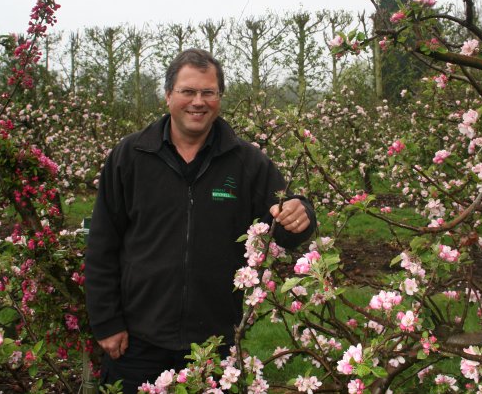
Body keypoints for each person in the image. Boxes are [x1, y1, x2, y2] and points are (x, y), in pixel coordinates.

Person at [85, 48, 315, 392]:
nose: (198, 102)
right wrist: (106, 322)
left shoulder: (247, 163)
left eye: (208, 92)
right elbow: (102, 244)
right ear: (168, 96)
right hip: (137, 340)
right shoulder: (130, 157)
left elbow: (284, 226)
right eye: (188, 92)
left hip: (215, 340)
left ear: (219, 98)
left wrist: (303, 215)